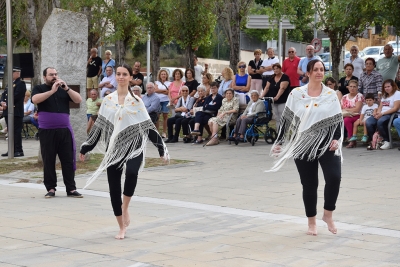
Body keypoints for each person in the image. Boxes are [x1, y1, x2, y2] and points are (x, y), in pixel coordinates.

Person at [79, 64, 169, 240]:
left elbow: (148, 127)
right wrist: (86, 147)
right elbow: (99, 127)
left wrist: (161, 148)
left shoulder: (136, 101)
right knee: (113, 188)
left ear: (130, 77)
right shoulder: (108, 100)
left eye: (124, 74)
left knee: (132, 172)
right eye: (118, 74)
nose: (120, 77)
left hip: (134, 145)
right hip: (114, 148)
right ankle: (121, 226)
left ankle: (125, 208)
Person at [268, 59, 343, 236]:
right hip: (302, 144)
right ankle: (312, 222)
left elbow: (338, 120)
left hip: (326, 143)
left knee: (334, 177)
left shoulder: (331, 94)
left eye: (321, 69)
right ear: (307, 73)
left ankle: (328, 214)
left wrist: (336, 139)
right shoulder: (296, 94)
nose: (319, 72)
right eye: (315, 69)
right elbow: (286, 119)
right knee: (310, 184)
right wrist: (279, 141)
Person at [31, 67, 83, 198]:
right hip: (47, 131)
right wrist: (51, 91)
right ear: (44, 77)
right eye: (51, 75)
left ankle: (71, 188)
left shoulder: (64, 89)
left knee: (67, 160)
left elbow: (78, 100)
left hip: (64, 131)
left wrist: (67, 88)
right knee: (48, 160)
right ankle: (51, 188)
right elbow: (35, 99)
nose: (54, 76)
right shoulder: (39, 88)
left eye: (55, 74)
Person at [365, 79, 400, 150]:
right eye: (385, 87)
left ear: (393, 86)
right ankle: (375, 141)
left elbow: (395, 108)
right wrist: (377, 113)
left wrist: (382, 113)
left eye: (388, 86)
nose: (386, 88)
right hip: (382, 114)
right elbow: (380, 106)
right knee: (369, 122)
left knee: (380, 121)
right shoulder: (384, 95)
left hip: (392, 114)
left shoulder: (397, 93)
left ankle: (387, 141)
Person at [0, 67, 26, 157]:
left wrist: (7, 103)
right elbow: (4, 94)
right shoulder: (10, 84)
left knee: (16, 131)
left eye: (12, 73)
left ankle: (18, 150)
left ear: (17, 73)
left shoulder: (21, 83)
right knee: (10, 131)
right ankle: (11, 149)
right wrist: (2, 102)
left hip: (16, 111)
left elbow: (17, 96)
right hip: (7, 110)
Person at [260, 63, 290, 129]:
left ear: (280, 69)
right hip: (273, 101)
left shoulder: (285, 77)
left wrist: (277, 97)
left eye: (277, 68)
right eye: (274, 69)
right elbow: (267, 87)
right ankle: (278, 132)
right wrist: (261, 96)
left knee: (282, 116)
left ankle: (283, 132)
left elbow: (282, 88)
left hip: (282, 100)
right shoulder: (271, 77)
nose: (276, 70)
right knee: (277, 117)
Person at [341, 80, 364, 148]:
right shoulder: (344, 97)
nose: (352, 88)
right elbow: (341, 109)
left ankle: (351, 140)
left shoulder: (359, 96)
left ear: (357, 88)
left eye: (354, 87)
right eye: (350, 86)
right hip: (347, 115)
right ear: (347, 87)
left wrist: (347, 110)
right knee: (345, 120)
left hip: (359, 115)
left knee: (346, 120)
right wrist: (350, 110)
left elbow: (357, 109)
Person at [154, 69, 171, 139]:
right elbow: (155, 90)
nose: (163, 75)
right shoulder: (156, 82)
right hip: (158, 100)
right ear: (160, 75)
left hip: (166, 100)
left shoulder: (169, 83)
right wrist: (164, 91)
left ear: (166, 75)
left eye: (164, 74)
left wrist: (160, 91)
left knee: (165, 116)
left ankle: (164, 132)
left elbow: (169, 92)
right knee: (157, 116)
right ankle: (156, 131)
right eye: (162, 74)